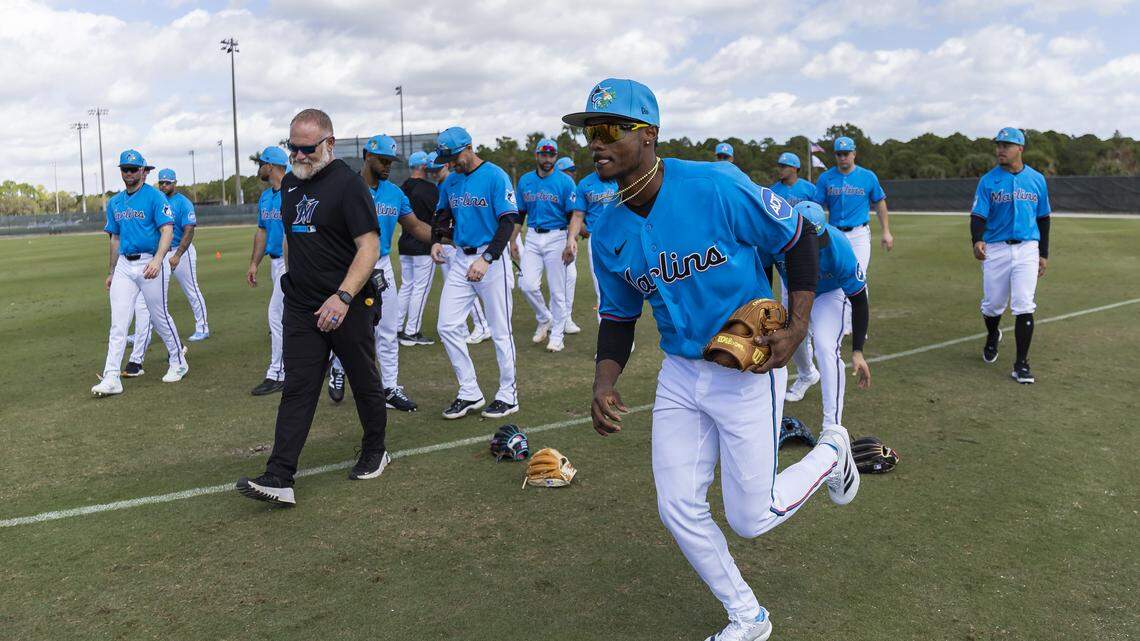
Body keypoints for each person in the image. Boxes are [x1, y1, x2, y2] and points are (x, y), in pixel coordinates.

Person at [566, 78, 859, 641]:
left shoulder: (716, 185)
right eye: (588, 132)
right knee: (678, 506)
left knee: (751, 519)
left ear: (648, 135)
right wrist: (604, 381)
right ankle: (748, 616)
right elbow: (619, 316)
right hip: (680, 375)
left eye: (607, 130)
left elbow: (796, 238)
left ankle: (832, 448)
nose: (595, 143)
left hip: (747, 368)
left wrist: (797, 328)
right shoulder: (608, 229)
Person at [236, 109, 390, 505]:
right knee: (298, 387)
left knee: (363, 379)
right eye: (293, 149)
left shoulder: (348, 185)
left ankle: (376, 450)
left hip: (347, 303)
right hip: (302, 304)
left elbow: (369, 247)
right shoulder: (288, 184)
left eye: (308, 149)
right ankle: (279, 475)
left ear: (330, 144)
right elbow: (291, 237)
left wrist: (342, 297)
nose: (300, 157)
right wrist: (289, 277)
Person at [325, 134, 432, 411]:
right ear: (367, 156)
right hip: (350, 266)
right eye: (383, 160)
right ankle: (337, 367)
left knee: (387, 329)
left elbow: (416, 227)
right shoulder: (346, 188)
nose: (388, 166)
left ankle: (389, 388)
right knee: (347, 327)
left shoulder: (395, 193)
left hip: (381, 266)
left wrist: (445, 237)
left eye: (391, 161)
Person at [430, 126, 520, 419]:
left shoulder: (495, 176)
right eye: (447, 158)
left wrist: (488, 258)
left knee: (500, 330)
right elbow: (442, 214)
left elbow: (508, 221)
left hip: (491, 258)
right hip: (460, 258)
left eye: (453, 155)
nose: (451, 162)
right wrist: (436, 239)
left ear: (469, 147)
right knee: (446, 325)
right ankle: (469, 391)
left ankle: (508, 395)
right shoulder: (451, 181)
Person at [92, 150, 188, 396]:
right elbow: (115, 238)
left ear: (144, 172)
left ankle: (178, 361)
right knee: (118, 323)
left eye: (134, 169)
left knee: (159, 316)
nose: (129, 173)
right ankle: (112, 376)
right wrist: (112, 271)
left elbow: (167, 229)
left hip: (150, 262)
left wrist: (158, 259)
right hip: (125, 264)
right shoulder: (115, 202)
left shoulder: (155, 197)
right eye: (125, 169)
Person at [770, 202, 872, 421]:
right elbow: (762, 270)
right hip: (795, 290)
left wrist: (857, 351)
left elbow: (859, 300)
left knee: (826, 348)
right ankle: (807, 375)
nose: (815, 247)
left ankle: (832, 425)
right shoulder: (775, 241)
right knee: (790, 341)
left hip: (830, 293)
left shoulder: (838, 246)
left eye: (817, 240)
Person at [970, 127, 1051, 384]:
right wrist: (977, 239)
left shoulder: (1037, 179)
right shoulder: (988, 180)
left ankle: (1021, 364)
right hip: (996, 248)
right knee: (992, 305)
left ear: (1020, 149)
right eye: (998, 144)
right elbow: (978, 215)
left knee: (1024, 304)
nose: (1000, 149)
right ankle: (993, 334)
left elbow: (1044, 218)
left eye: (1006, 145)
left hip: (1028, 247)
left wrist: (1044, 253)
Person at [812, 136, 893, 335]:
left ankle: (856, 325)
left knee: (859, 276)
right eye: (838, 154)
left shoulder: (867, 177)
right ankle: (834, 321)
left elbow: (880, 202)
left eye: (846, 153)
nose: (842, 158)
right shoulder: (826, 178)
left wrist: (886, 231)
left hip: (858, 234)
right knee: (833, 278)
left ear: (854, 154)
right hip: (834, 235)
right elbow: (816, 206)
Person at [516, 137, 579, 352]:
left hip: (557, 236)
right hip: (532, 236)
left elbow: (573, 216)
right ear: (536, 155)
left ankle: (557, 336)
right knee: (526, 284)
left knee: (557, 291)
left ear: (555, 156)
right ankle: (544, 318)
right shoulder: (525, 180)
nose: (547, 158)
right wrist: (511, 240)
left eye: (551, 154)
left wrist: (570, 241)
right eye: (543, 154)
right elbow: (520, 214)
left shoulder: (565, 182)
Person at [428, 151, 492, 344]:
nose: (434, 173)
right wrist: (437, 239)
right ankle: (465, 328)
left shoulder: (468, 179)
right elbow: (440, 216)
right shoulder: (445, 185)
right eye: (431, 170)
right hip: (455, 247)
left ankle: (481, 326)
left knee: (470, 289)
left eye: (437, 169)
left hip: (471, 248)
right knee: (457, 292)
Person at [248, 146, 290, 396]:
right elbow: (262, 231)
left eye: (261, 163)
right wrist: (254, 263)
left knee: (276, 315)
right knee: (299, 314)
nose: (259, 167)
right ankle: (327, 358)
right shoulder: (266, 197)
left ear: (272, 166)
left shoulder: (293, 192)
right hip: (275, 263)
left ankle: (278, 372)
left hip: (292, 261)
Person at [563, 161, 617, 322]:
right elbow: (578, 215)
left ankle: (624, 334)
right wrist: (571, 237)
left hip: (622, 237)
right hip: (597, 240)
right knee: (602, 288)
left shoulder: (622, 178)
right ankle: (608, 339)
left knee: (623, 288)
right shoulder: (585, 184)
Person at [396, 150, 439, 347]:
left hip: (405, 242)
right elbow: (437, 216)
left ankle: (396, 327)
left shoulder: (402, 187)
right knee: (419, 289)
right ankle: (412, 332)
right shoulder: (430, 189)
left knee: (406, 287)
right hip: (423, 244)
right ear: (423, 166)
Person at [555, 156, 583, 334]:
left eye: (573, 170)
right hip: (558, 238)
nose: (572, 174)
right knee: (561, 280)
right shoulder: (561, 187)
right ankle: (561, 319)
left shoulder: (573, 187)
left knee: (569, 278)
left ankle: (565, 318)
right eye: (569, 171)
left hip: (568, 238)